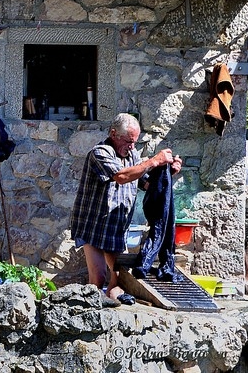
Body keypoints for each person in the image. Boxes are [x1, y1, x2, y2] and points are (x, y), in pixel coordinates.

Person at [70, 113, 182, 306]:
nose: (131, 146)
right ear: (114, 133)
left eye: (134, 142)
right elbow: (121, 177)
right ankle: (89, 313)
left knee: (119, 279)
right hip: (93, 225)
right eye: (129, 141)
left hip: (116, 227)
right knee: (97, 278)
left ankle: (111, 306)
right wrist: (154, 161)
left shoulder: (132, 156)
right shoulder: (100, 153)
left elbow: (146, 184)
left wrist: (167, 173)